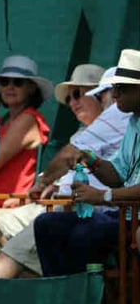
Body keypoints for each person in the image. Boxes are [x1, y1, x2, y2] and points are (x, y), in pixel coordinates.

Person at [0, 65, 130, 277]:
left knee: (5, 228)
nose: (73, 102)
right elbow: (113, 173)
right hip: (65, 203)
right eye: (4, 82)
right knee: (5, 225)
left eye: (80, 94)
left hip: (90, 207)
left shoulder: (118, 119)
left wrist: (101, 194)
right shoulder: (101, 129)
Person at [35, 49, 140, 276]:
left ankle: (90, 303)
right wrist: (91, 160)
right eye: (113, 88)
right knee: (46, 225)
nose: (115, 94)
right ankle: (63, 298)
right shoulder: (133, 122)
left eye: (122, 88)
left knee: (85, 235)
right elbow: (117, 174)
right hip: (124, 214)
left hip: (133, 217)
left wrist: (102, 196)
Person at [0, 55, 51, 211]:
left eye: (18, 83)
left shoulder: (28, 119)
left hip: (4, 204)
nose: (10, 87)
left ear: (31, 88)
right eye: (5, 82)